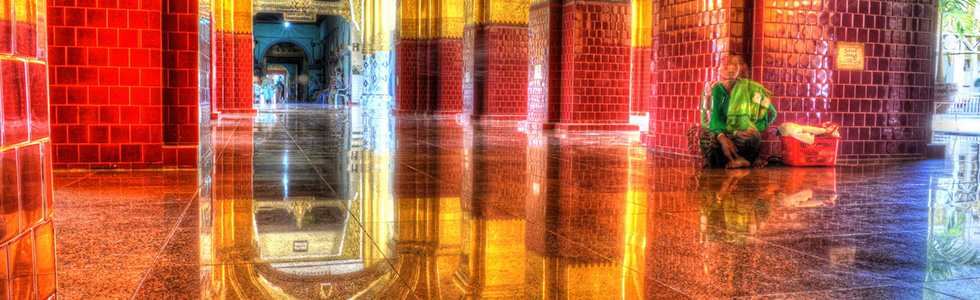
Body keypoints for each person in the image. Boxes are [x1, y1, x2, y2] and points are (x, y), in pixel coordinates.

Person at [699, 52, 777, 169]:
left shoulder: (751, 88)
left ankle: (746, 161)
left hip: (741, 136)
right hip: (720, 133)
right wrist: (723, 136)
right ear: (717, 69)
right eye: (726, 64)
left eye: (736, 64)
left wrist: (754, 128)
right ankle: (725, 162)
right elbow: (709, 121)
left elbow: (771, 113)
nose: (731, 68)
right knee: (707, 136)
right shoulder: (711, 89)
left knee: (752, 135)